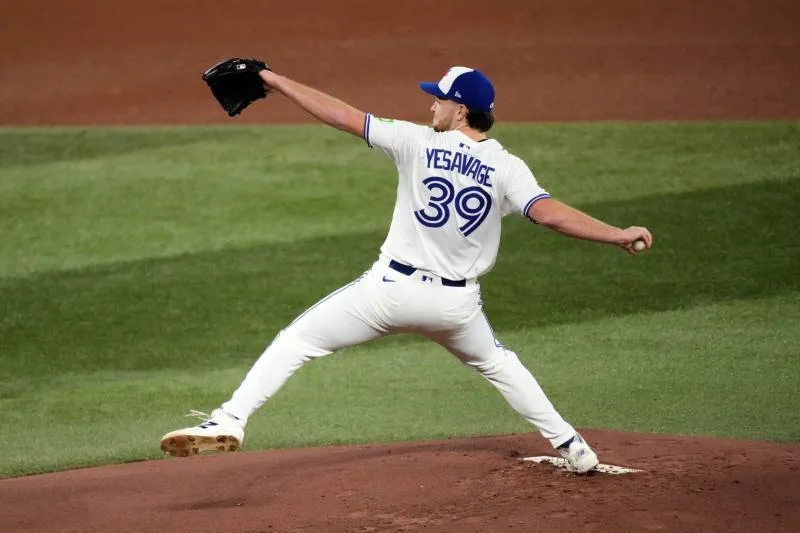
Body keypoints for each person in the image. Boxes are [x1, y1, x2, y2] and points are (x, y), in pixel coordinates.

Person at [160, 65, 653, 474]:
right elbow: (549, 215)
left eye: (439, 99)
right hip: (456, 306)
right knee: (499, 365)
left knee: (298, 341)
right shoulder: (508, 166)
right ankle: (572, 446)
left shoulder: (415, 141)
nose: (431, 105)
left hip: (390, 293)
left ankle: (230, 419)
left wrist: (274, 79)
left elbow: (343, 116)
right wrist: (616, 233)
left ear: (460, 110)